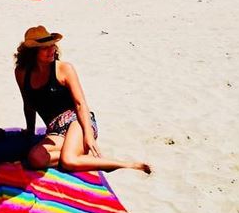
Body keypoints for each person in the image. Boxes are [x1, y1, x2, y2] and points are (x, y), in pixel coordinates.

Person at [14, 26, 151, 174]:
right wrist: (30, 131)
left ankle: (127, 165)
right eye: (44, 48)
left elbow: (80, 104)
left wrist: (89, 136)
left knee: (69, 161)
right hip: (55, 130)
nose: (51, 49)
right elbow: (28, 104)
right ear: (32, 53)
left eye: (52, 45)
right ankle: (78, 155)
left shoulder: (64, 69)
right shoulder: (22, 73)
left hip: (77, 121)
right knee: (35, 158)